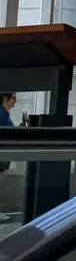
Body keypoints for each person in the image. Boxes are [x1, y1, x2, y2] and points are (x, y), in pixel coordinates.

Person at [0, 93, 14, 223]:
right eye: (14, 98)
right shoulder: (1, 113)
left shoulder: (5, 113)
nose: (15, 102)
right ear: (5, 99)